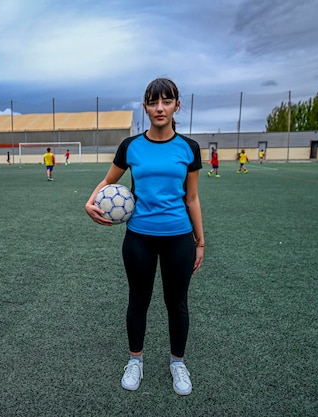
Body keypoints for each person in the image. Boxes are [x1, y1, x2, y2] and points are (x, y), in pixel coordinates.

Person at [85, 78, 204, 396]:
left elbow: (192, 198)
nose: (160, 107)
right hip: (139, 238)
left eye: (167, 101)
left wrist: (200, 241)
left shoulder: (189, 148)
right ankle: (135, 360)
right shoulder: (131, 146)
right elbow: (108, 181)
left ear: (177, 105)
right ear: (146, 107)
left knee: (176, 304)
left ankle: (177, 363)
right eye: (153, 102)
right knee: (138, 301)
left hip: (179, 238)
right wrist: (89, 201)